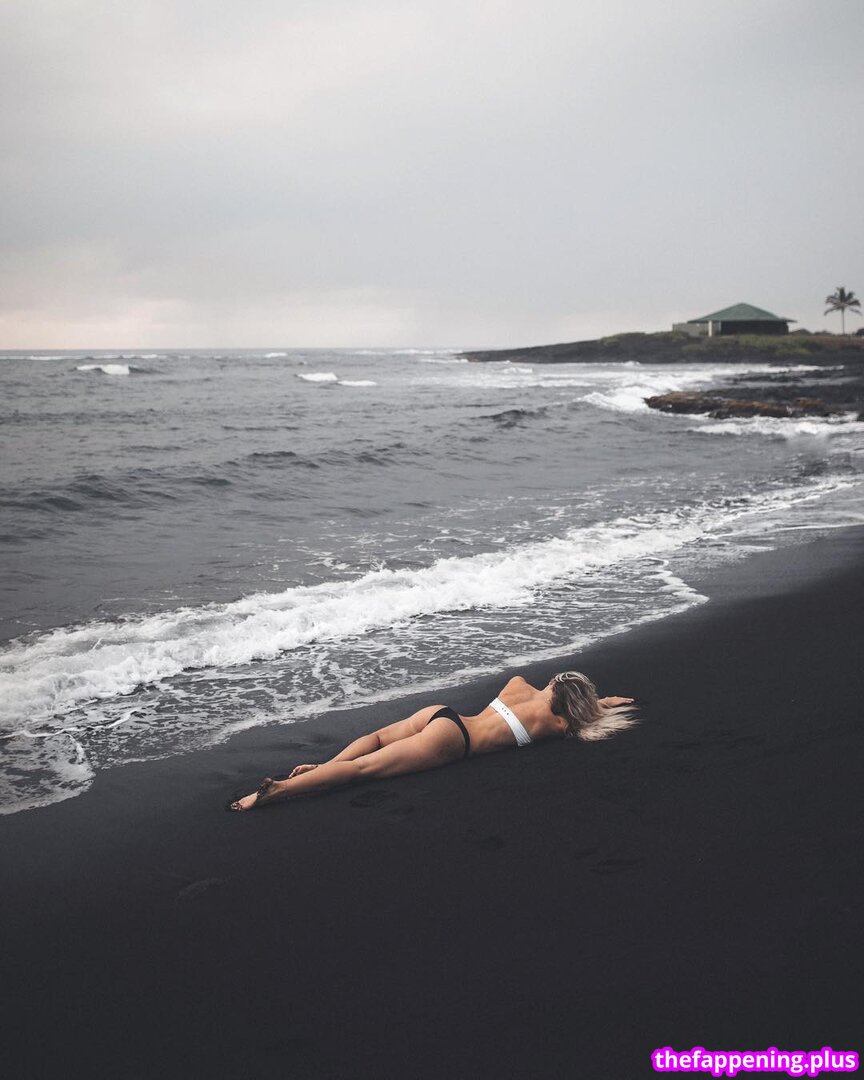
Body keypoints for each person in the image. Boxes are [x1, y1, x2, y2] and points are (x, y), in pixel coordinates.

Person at [229, 670, 635, 811]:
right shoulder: (555, 724)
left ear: (552, 683)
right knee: (363, 770)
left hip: (442, 714)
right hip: (455, 741)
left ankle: (322, 768)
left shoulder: (517, 684)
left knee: (372, 740)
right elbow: (582, 718)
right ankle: (278, 790)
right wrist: (602, 703)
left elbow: (555, 695)